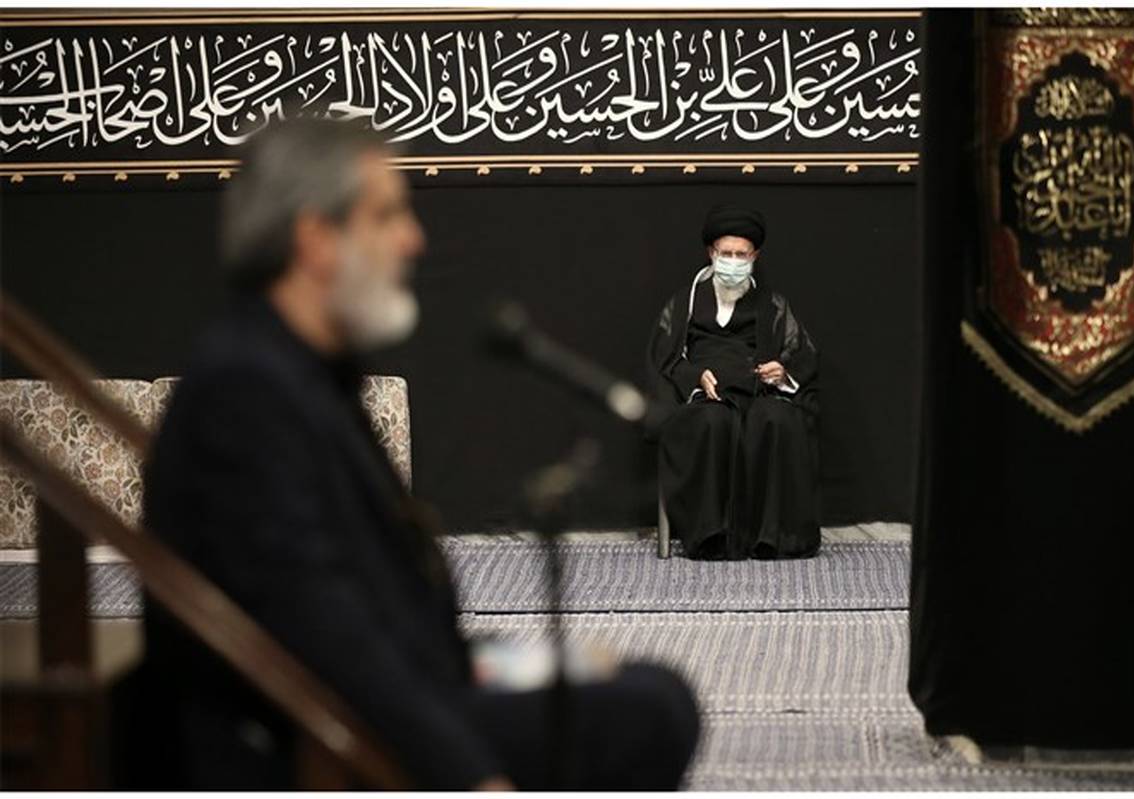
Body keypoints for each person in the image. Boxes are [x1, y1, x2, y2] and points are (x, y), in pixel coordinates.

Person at [134, 118, 700, 790]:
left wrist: (503, 664)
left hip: (399, 693)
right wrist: (471, 774)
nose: (413, 239)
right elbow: (321, 629)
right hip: (320, 746)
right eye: (386, 216)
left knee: (642, 688)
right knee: (650, 713)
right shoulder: (245, 390)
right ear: (316, 240)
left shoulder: (298, 371)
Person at [647, 204, 820, 560]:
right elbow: (664, 358)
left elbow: (801, 354)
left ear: (754, 256)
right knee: (713, 421)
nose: (733, 261)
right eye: (726, 253)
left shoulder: (773, 305)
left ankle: (772, 537)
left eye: (741, 255)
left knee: (776, 418)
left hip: (758, 391)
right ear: (712, 253)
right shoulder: (684, 303)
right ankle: (713, 536)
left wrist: (781, 372)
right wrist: (695, 377)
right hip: (706, 396)